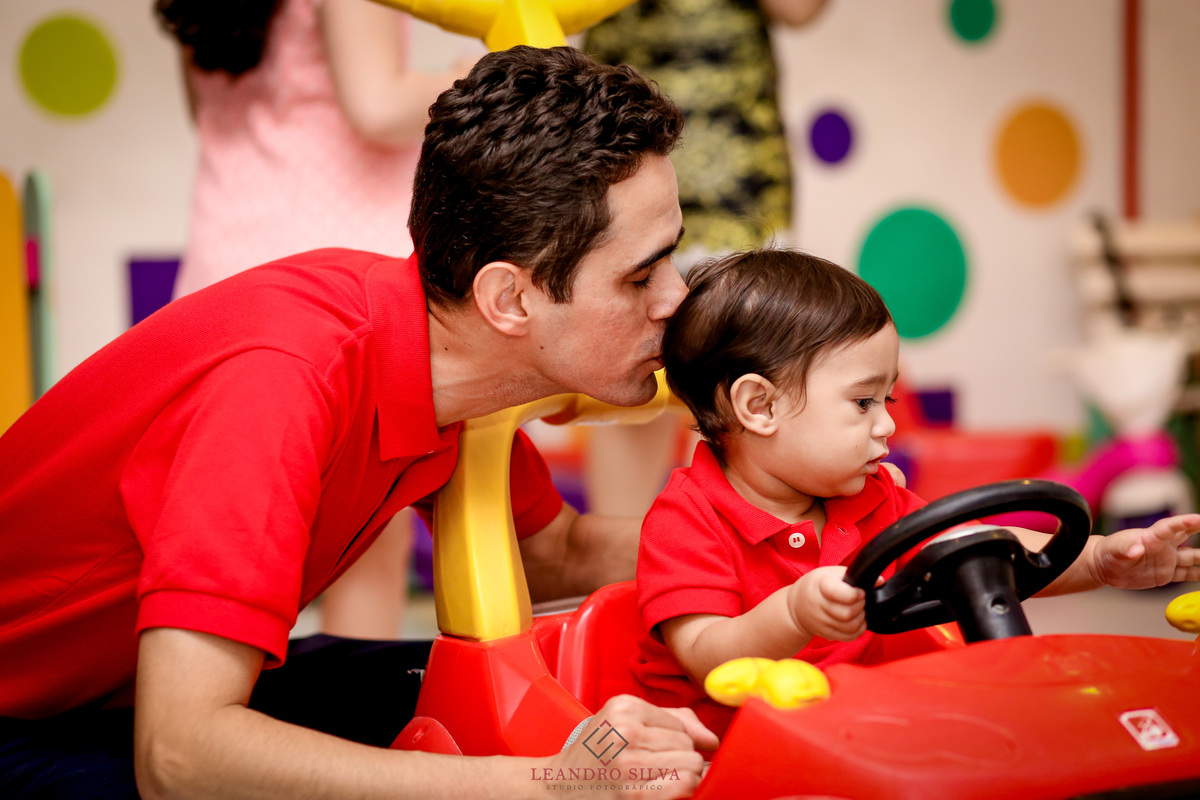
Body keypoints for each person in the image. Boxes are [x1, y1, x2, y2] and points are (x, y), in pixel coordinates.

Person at [0, 46, 717, 800]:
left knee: (471, 688)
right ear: (509, 299)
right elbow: (180, 757)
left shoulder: (437, 345)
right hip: (40, 721)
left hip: (133, 697)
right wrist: (546, 784)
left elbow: (555, 556)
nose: (676, 298)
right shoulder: (283, 384)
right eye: (641, 274)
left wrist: (772, 541)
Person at [632, 248, 1200, 736]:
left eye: (888, 400)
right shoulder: (687, 519)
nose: (886, 425)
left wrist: (1101, 560)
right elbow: (706, 654)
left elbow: (981, 545)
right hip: (721, 753)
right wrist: (793, 613)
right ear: (760, 406)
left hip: (856, 733)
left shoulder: (871, 497)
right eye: (862, 402)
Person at [155, 0, 478, 640]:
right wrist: (478, 74)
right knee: (363, 533)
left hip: (223, 264)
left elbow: (204, 111)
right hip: (335, 273)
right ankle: (345, 697)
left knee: (231, 530)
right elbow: (378, 106)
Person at [583, 0, 829, 520]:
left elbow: (801, 9)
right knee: (625, 350)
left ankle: (740, 540)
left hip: (735, 147)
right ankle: (620, 547)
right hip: (616, 132)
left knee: (739, 356)